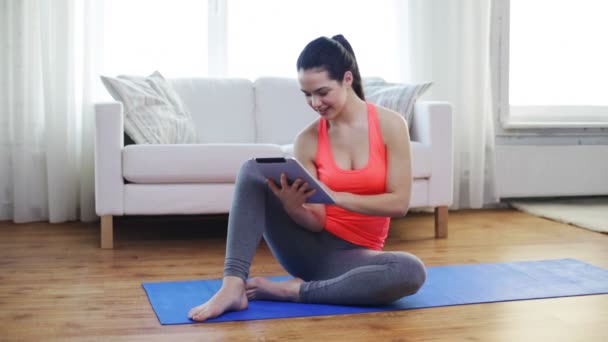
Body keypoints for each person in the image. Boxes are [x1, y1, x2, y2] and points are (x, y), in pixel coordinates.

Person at [188, 34, 426, 322]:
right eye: (307, 94)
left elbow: (399, 203)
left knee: (410, 271)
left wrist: (335, 196)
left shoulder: (390, 125)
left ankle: (294, 292)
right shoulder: (308, 139)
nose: (315, 102)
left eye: (323, 92)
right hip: (307, 251)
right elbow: (316, 221)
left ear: (347, 79)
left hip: (356, 260)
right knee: (252, 170)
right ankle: (233, 286)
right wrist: (294, 208)